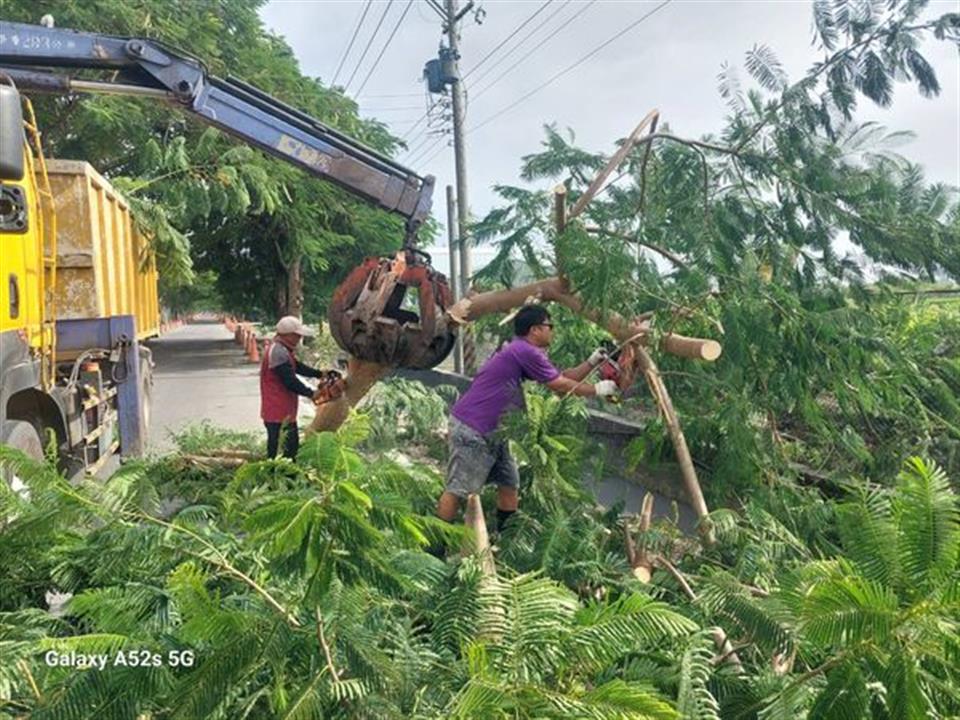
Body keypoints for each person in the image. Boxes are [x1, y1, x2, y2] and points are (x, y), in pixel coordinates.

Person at [437, 304, 618, 535]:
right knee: (458, 490)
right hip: (475, 428)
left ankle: (505, 541)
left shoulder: (523, 351)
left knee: (509, 484)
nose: (552, 330)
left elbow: (562, 381)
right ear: (535, 330)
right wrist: (597, 389)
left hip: (496, 432)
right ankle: (436, 548)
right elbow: (560, 385)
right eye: (549, 326)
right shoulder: (525, 351)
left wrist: (592, 362)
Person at [259, 316, 342, 460]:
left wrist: (319, 374)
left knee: (288, 448)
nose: (299, 338)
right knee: (283, 451)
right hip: (277, 410)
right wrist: (311, 393)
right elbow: (289, 381)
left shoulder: (282, 349)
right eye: (297, 335)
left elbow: (296, 366)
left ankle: (281, 475)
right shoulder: (278, 352)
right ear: (288, 335)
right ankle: (277, 477)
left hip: (283, 410)